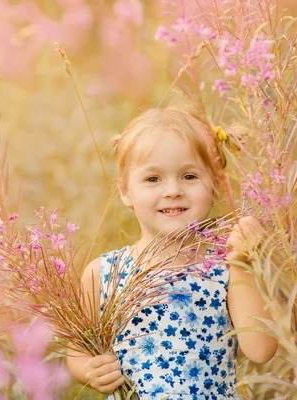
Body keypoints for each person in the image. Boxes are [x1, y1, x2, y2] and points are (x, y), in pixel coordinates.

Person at [65, 106, 277, 398]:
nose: (173, 190)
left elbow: (261, 349)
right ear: (126, 190)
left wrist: (246, 262)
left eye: (189, 176)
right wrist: (89, 370)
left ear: (215, 185)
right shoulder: (103, 273)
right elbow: (77, 351)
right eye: (153, 179)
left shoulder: (225, 268)